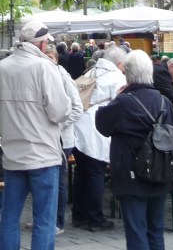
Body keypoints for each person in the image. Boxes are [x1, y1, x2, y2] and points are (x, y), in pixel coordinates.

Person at [0, 21, 71, 250]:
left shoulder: (1, 68)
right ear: (42, 43)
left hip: (13, 155)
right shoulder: (44, 68)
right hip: (43, 153)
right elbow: (59, 112)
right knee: (44, 220)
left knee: (9, 218)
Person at [95, 50, 173, 250]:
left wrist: (116, 98)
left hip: (131, 173)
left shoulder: (123, 101)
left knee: (136, 232)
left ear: (127, 73)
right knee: (156, 230)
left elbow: (102, 125)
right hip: (160, 170)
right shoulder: (164, 100)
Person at [71, 46, 126, 232]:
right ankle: (95, 218)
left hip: (78, 127)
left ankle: (78, 214)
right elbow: (119, 105)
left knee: (82, 172)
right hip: (96, 130)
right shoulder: (117, 77)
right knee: (96, 173)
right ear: (120, 63)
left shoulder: (92, 70)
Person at [44, 42, 83, 234]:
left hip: (62, 139)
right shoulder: (41, 76)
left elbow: (77, 108)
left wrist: (58, 125)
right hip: (45, 138)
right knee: (44, 179)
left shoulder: (63, 78)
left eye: (49, 57)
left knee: (57, 179)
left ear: (55, 59)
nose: (46, 61)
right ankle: (44, 219)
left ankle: (57, 222)